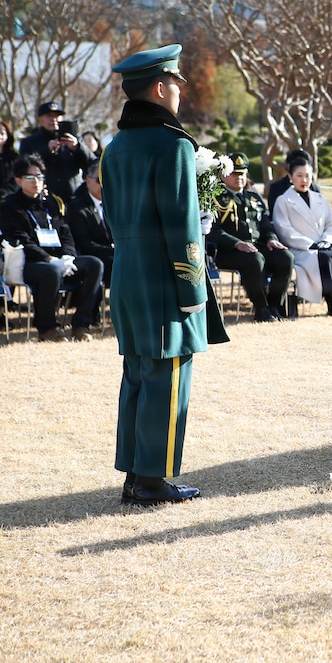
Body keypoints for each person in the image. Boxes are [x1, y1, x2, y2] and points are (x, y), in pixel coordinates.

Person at [104, 43, 231, 506]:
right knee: (169, 378)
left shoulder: (116, 146)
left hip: (127, 275)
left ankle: (135, 475)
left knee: (137, 375)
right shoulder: (174, 145)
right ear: (160, 88)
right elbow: (181, 227)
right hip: (163, 278)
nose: (180, 90)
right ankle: (153, 481)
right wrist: (194, 288)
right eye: (176, 83)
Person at [0, 154, 103, 343]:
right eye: (30, 177)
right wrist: (49, 259)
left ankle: (81, 325)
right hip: (29, 262)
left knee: (94, 264)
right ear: (18, 180)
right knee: (51, 271)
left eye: (40, 177)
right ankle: (47, 328)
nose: (36, 182)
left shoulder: (52, 203)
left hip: (59, 259)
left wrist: (68, 257)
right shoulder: (10, 207)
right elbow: (21, 240)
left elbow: (65, 233)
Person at [272, 158, 332, 317]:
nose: (304, 180)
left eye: (307, 176)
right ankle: (331, 305)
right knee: (324, 258)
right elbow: (284, 230)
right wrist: (311, 244)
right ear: (290, 176)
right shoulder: (283, 200)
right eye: (299, 175)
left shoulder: (320, 198)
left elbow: (331, 224)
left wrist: (327, 241)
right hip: (301, 249)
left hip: (324, 245)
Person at [209, 152, 294, 322]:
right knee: (255, 259)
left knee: (285, 257)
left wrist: (271, 238)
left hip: (257, 246)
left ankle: (274, 307)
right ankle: (261, 309)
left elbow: (266, 225)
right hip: (228, 251)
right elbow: (212, 230)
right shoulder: (216, 198)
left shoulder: (253, 197)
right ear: (223, 175)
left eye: (242, 173)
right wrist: (237, 243)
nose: (239, 178)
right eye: (234, 173)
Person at [18, 101, 96, 206]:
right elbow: (22, 167)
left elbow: (94, 165)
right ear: (40, 119)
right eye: (49, 116)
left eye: (57, 116)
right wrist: (47, 150)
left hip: (74, 199)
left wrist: (77, 148)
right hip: (45, 199)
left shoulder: (73, 139)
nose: (53, 119)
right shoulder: (29, 142)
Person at [67, 163, 114, 286]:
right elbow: (84, 244)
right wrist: (113, 250)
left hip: (112, 253)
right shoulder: (77, 207)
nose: (104, 185)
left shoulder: (115, 205)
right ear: (88, 179)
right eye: (99, 180)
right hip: (94, 256)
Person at [266, 148, 319, 214]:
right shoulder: (277, 188)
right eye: (298, 164)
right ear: (288, 165)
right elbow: (274, 213)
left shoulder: (314, 189)